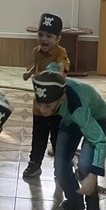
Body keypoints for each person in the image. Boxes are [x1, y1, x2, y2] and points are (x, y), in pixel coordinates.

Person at [32, 71, 106, 210]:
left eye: (48, 105)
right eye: (39, 104)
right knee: (60, 167)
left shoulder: (77, 107)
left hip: (94, 118)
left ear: (61, 99)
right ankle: (75, 202)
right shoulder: (52, 96)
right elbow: (51, 69)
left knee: (85, 164)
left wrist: (93, 175)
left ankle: (91, 193)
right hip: (69, 120)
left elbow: (100, 142)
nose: (43, 110)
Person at [22, 12, 70, 178]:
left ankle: (61, 166)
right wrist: (29, 73)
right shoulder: (36, 51)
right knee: (38, 135)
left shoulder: (60, 53)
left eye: (49, 36)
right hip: (39, 103)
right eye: (41, 34)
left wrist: (59, 72)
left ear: (58, 38)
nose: (44, 39)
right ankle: (34, 163)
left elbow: (62, 65)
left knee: (57, 136)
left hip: (56, 105)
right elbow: (37, 65)